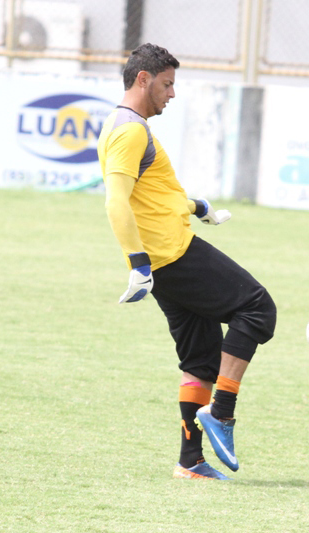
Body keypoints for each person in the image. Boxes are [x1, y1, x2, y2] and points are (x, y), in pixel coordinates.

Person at [97, 43, 277, 481]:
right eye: (167, 83)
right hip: (171, 255)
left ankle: (190, 461)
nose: (172, 94)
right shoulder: (129, 131)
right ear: (143, 79)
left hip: (163, 263)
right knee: (257, 308)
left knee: (200, 359)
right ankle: (222, 415)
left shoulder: (128, 127)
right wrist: (137, 262)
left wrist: (199, 207)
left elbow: (152, 195)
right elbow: (115, 202)